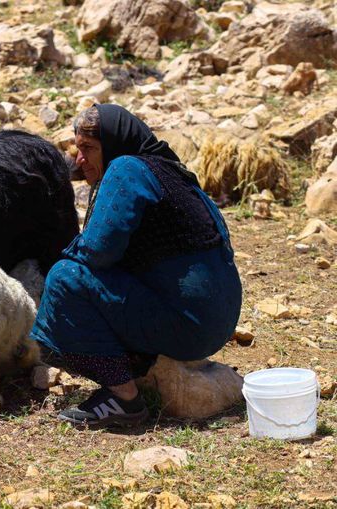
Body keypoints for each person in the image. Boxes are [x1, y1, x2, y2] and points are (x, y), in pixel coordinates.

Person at [31, 104, 242, 428]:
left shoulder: (126, 169)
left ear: (113, 144)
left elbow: (98, 250)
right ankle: (139, 363)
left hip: (190, 327)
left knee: (64, 278)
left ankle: (123, 399)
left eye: (88, 149)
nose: (79, 159)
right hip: (217, 322)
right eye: (77, 150)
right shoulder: (168, 169)